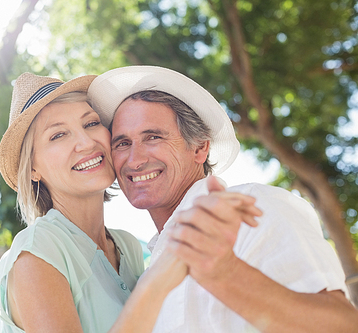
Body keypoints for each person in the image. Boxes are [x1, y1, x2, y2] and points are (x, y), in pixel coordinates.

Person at [87, 65, 358, 332]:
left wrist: (225, 273)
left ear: (200, 148)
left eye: (153, 137)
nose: (135, 159)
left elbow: (343, 326)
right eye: (122, 143)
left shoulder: (254, 206)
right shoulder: (151, 271)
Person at [0, 72, 252, 332]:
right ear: (33, 168)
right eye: (58, 135)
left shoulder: (128, 248)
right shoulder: (37, 252)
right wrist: (159, 282)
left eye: (91, 123)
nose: (85, 142)